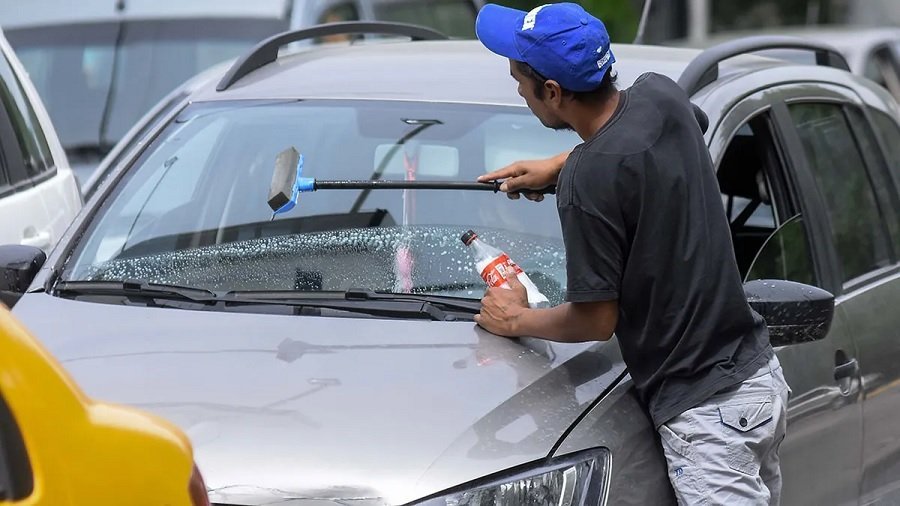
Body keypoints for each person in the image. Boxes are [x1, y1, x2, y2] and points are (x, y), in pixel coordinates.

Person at [471, 3, 791, 505]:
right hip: (758, 380)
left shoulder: (589, 181)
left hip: (706, 411)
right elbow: (662, 137)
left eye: (519, 81)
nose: (517, 91)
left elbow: (596, 320)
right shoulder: (659, 93)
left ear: (552, 92)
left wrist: (515, 319)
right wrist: (561, 164)